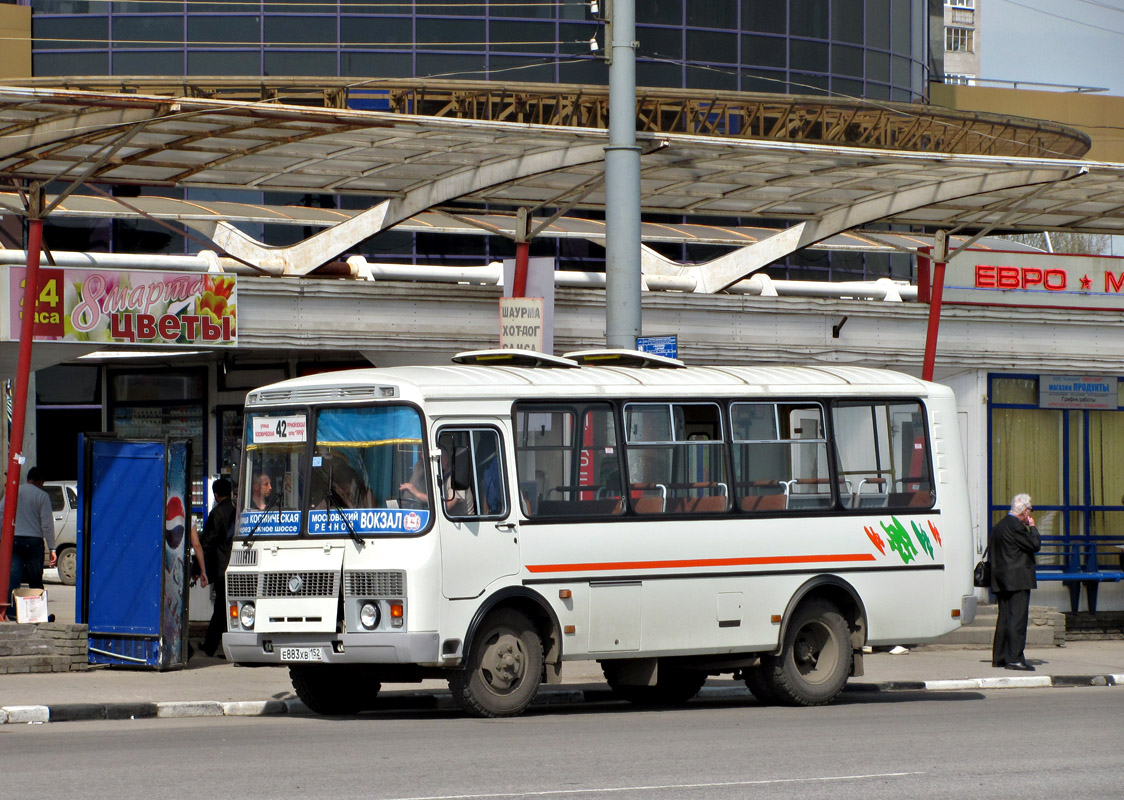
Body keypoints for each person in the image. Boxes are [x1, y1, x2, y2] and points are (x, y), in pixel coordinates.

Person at [989, 492, 1041, 671]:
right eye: (1030, 510)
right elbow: (1034, 545)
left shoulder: (999, 526)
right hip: (1018, 580)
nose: (1030, 514)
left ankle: (1000, 657)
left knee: (1004, 618)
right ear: (1025, 511)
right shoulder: (1017, 526)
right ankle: (1014, 658)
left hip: (1001, 580)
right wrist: (1032, 527)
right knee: (1017, 620)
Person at [1, 466, 56, 608]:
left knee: (13, 578)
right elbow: (47, 524)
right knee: (35, 579)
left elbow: (2, 513)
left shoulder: (13, 492)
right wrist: (52, 548)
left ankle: (10, 611)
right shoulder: (42, 496)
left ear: (28, 479)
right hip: (35, 542)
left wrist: (3, 537)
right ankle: (36, 611)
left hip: (15, 540)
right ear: (40, 481)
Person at [199, 478, 237, 658]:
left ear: (216, 494)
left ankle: (211, 646)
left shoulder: (217, 514)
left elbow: (207, 543)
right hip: (236, 564)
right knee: (228, 606)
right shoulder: (237, 512)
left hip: (222, 566)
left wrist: (198, 568)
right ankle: (216, 645)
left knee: (221, 608)